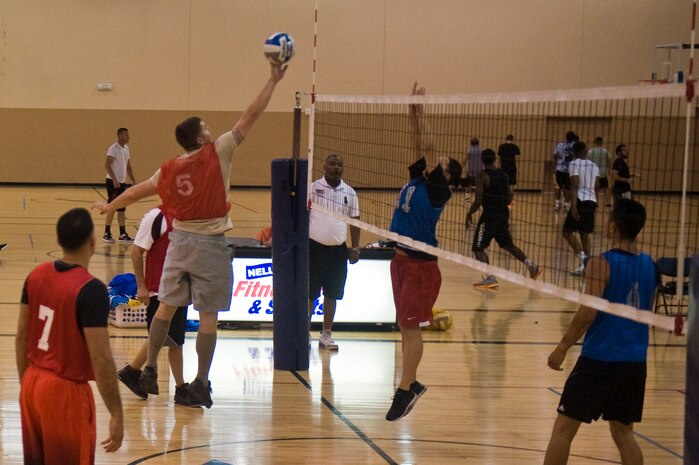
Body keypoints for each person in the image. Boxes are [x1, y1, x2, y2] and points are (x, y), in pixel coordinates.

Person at [92, 61, 287, 409]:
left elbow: (137, 192)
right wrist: (273, 79)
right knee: (209, 315)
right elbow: (251, 114)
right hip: (210, 244)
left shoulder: (168, 169)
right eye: (207, 127)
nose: (212, 130)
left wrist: (109, 207)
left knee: (165, 307)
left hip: (178, 243)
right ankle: (199, 382)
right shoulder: (220, 151)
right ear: (201, 138)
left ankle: (149, 368)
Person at [544, 198, 658, 465]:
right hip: (634, 364)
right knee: (624, 433)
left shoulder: (601, 263)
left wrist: (562, 347)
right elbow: (646, 314)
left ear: (614, 226)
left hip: (598, 360)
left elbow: (586, 313)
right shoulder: (651, 266)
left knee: (562, 430)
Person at [16, 208, 123, 463]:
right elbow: (101, 358)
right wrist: (116, 413)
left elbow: (21, 336)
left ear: (59, 240)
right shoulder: (91, 289)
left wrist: (27, 387)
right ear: (92, 241)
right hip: (64, 394)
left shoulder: (35, 275)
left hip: (32, 381)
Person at [384, 82, 452, 422]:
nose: (434, 163)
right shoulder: (418, 180)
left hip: (421, 267)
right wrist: (412, 112)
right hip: (400, 261)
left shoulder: (439, 189)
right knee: (404, 326)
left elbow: (429, 144)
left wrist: (423, 112)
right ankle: (409, 383)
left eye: (441, 165)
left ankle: (406, 387)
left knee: (411, 328)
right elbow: (419, 146)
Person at [116, 206, 193, 406]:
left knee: (172, 339)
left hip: (179, 286)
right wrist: (141, 286)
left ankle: (132, 372)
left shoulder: (188, 214)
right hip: (159, 289)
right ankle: (180, 388)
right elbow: (136, 252)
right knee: (169, 340)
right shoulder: (156, 216)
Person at [466, 149, 542, 289]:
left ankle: (490, 278)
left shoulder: (482, 176)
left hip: (489, 216)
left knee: (477, 247)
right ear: (495, 159)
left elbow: (477, 201)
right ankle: (532, 266)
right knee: (507, 245)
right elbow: (509, 197)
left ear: (482, 160)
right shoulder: (503, 174)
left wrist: (469, 214)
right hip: (503, 214)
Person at [308, 153, 361, 351]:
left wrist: (355, 247)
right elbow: (304, 217)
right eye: (332, 164)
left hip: (338, 252)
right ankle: (305, 333)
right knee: (310, 294)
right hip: (314, 248)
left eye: (339, 165)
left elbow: (355, 221)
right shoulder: (313, 188)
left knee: (332, 293)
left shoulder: (349, 192)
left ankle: (326, 335)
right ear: (324, 166)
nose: (336, 167)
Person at [563, 141, 600, 277]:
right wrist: (596, 202)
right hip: (591, 201)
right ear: (585, 150)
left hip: (580, 200)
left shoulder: (574, 164)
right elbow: (597, 186)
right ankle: (587, 266)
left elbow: (574, 185)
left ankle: (584, 260)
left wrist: (573, 207)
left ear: (573, 152)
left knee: (566, 232)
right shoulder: (594, 166)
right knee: (585, 234)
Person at [103, 128, 136, 243]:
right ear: (120, 136)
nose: (128, 137)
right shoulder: (114, 148)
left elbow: (128, 166)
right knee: (112, 206)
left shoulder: (126, 149)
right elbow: (107, 165)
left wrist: (133, 180)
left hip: (122, 182)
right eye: (126, 135)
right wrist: (114, 180)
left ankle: (122, 233)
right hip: (113, 182)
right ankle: (107, 232)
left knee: (122, 208)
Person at [553, 131, 577, 211]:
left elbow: (554, 156)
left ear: (566, 137)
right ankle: (566, 205)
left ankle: (557, 205)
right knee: (568, 188)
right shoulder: (575, 146)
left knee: (557, 187)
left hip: (559, 168)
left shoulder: (560, 145)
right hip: (570, 170)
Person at [587, 136, 612, 207]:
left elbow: (588, 162)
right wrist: (609, 170)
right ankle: (608, 202)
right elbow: (609, 161)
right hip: (603, 172)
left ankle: (596, 202)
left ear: (595, 142)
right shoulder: (605, 151)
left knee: (595, 188)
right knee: (606, 188)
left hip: (594, 173)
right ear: (602, 142)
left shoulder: (590, 152)